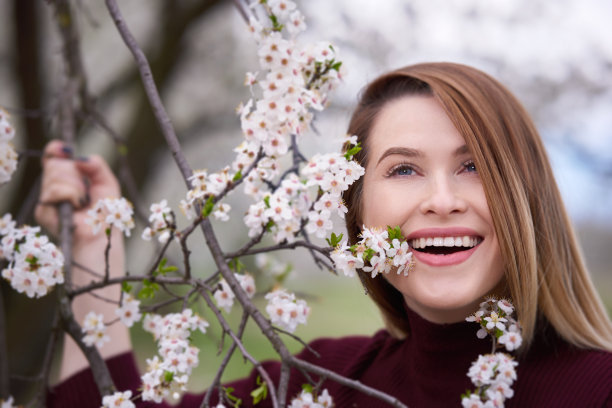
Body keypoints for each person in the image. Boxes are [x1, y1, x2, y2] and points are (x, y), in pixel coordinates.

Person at [38, 62, 612, 407]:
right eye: (404, 169)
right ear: (358, 212)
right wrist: (93, 251)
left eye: (473, 165)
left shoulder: (598, 390)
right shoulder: (320, 384)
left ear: (525, 195)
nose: (442, 200)